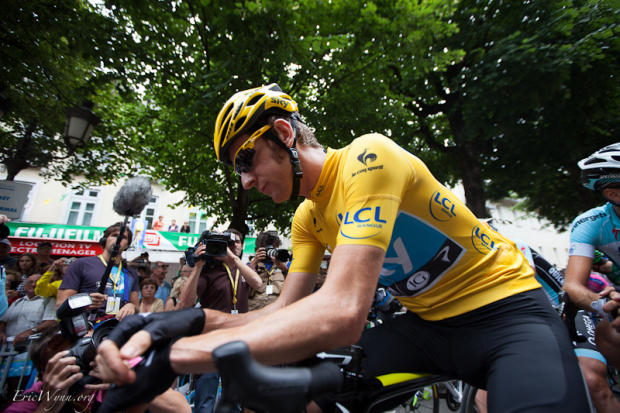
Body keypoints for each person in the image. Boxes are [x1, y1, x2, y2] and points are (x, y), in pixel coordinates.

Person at [96, 84, 589, 412]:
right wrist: (181, 325)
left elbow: (344, 313)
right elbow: (282, 312)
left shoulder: (368, 157)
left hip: (508, 313)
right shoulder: (307, 218)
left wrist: (175, 357)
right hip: (428, 328)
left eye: (247, 159)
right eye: (236, 170)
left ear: (284, 133)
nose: (245, 180)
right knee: (305, 401)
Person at [176, 228, 262, 413]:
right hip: (212, 339)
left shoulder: (243, 268)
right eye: (228, 242)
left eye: (237, 242)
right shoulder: (209, 270)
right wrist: (198, 266)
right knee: (206, 396)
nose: (233, 245)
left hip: (239, 338)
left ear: (242, 246)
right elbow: (185, 303)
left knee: (235, 398)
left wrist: (234, 259)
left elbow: (258, 283)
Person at [563, 143, 620, 412]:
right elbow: (573, 285)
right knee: (608, 333)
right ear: (613, 193)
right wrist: (605, 304)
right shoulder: (592, 224)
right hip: (612, 301)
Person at [57, 223, 139, 321]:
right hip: (87, 326)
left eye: (123, 237)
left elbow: (136, 308)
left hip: (117, 327)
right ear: (105, 240)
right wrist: (85, 303)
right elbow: (61, 306)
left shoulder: (131, 273)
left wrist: (131, 306)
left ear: (127, 245)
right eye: (114, 235)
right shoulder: (81, 264)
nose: (118, 239)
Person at [0, 274, 57, 349]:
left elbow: (51, 322)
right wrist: (1, 332)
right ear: (24, 286)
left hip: (32, 347)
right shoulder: (17, 302)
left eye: (37, 282)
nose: (33, 284)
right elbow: (3, 321)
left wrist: (30, 332)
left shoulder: (49, 300)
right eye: (30, 282)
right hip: (8, 347)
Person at [247, 230, 288, 311]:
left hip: (276, 313)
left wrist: (285, 270)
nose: (270, 252)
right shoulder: (249, 267)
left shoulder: (282, 266)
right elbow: (242, 291)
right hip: (254, 313)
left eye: (273, 249)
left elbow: (291, 291)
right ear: (256, 250)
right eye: (266, 249)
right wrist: (253, 264)